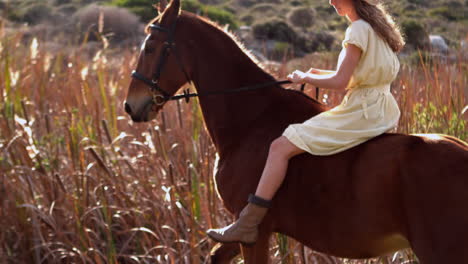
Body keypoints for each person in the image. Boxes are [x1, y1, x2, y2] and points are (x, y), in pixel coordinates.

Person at [207, 0, 405, 245]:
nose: (331, 2)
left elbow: (341, 81)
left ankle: (248, 222)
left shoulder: (357, 30)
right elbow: (357, 75)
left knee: (281, 146)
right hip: (382, 109)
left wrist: (306, 76)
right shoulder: (377, 29)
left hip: (360, 111)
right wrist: (313, 73)